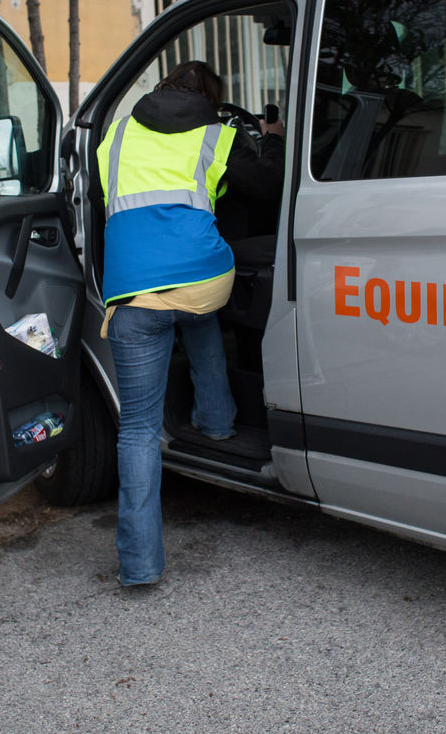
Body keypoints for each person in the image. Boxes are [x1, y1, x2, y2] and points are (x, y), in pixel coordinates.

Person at [96, 60, 285, 586]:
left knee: (138, 430)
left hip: (135, 290)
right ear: (212, 100)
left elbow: (103, 200)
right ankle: (218, 420)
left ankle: (139, 566)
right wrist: (271, 139)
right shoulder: (218, 134)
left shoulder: (115, 134)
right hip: (204, 280)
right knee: (197, 311)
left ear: (161, 88)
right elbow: (268, 185)